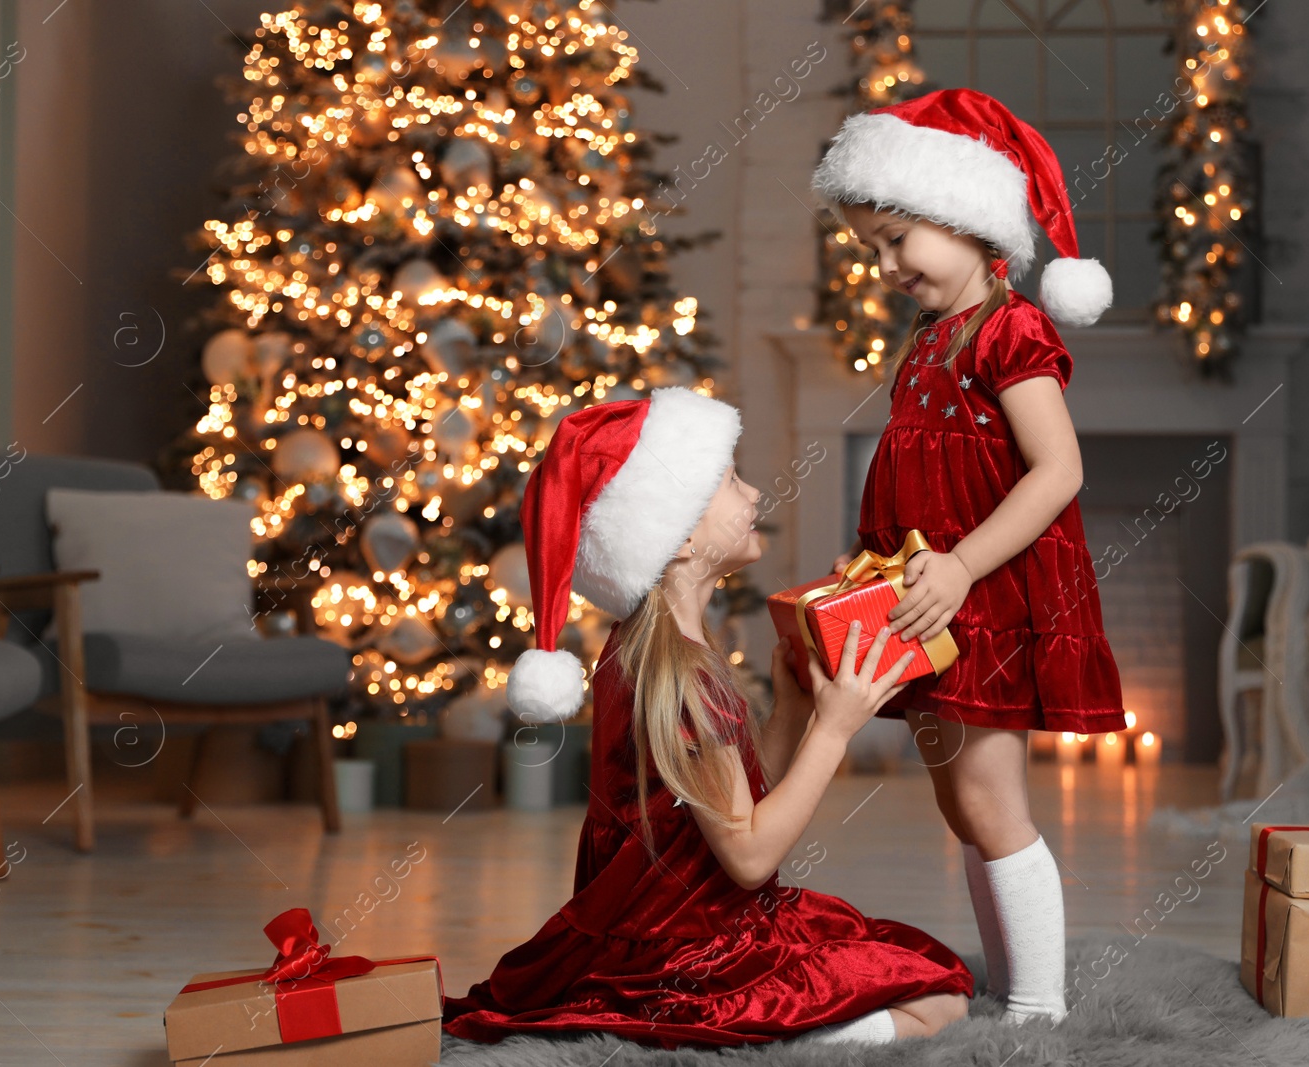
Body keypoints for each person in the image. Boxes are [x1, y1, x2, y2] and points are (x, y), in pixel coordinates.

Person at [442, 386, 973, 1049]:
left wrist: (792, 708)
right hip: (694, 948)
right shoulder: (682, 675)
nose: (754, 495)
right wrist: (835, 730)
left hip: (686, 918)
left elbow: (728, 807)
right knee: (941, 1003)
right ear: (680, 535)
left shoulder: (651, 646)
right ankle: (749, 1040)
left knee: (908, 962)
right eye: (729, 480)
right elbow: (749, 855)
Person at [811, 87, 1129, 1025]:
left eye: (895, 238)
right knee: (960, 804)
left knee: (992, 801)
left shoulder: (1009, 330)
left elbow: (1057, 469)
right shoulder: (926, 340)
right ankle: (1008, 981)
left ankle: (1040, 1008)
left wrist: (960, 567)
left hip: (987, 598)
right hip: (932, 605)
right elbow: (917, 479)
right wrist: (876, 566)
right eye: (869, 246)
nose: (884, 264)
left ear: (965, 218)